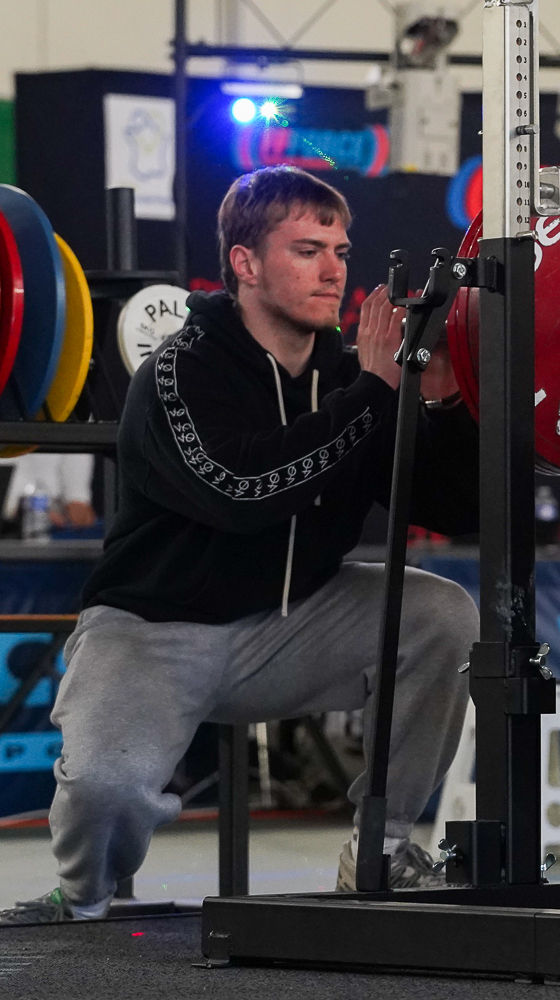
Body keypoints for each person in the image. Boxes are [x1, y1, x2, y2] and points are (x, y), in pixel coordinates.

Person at [1, 166, 479, 924]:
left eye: (342, 250)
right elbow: (242, 492)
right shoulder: (176, 371)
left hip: (293, 624)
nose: (333, 270)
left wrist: (446, 400)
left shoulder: (357, 380)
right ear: (246, 263)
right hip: (156, 631)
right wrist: (379, 398)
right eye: (307, 249)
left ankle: (381, 850)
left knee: (443, 613)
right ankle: (80, 902)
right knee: (105, 793)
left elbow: (458, 511)